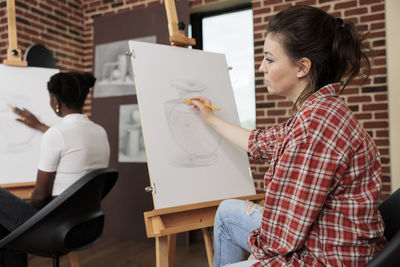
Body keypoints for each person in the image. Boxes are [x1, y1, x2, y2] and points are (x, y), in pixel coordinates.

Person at [187, 5, 387, 267]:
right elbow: (259, 142)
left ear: (302, 66)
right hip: (326, 238)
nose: (261, 68)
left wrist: (254, 255)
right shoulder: (322, 110)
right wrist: (209, 118)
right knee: (227, 212)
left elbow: (279, 241)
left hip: (323, 258)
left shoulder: (314, 130)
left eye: (269, 59)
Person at [0, 72, 110, 267]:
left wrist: (26, 209)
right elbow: (70, 142)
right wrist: (40, 126)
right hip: (89, 226)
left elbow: (40, 197)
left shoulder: (57, 135)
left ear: (55, 100)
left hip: (58, 230)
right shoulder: (99, 132)